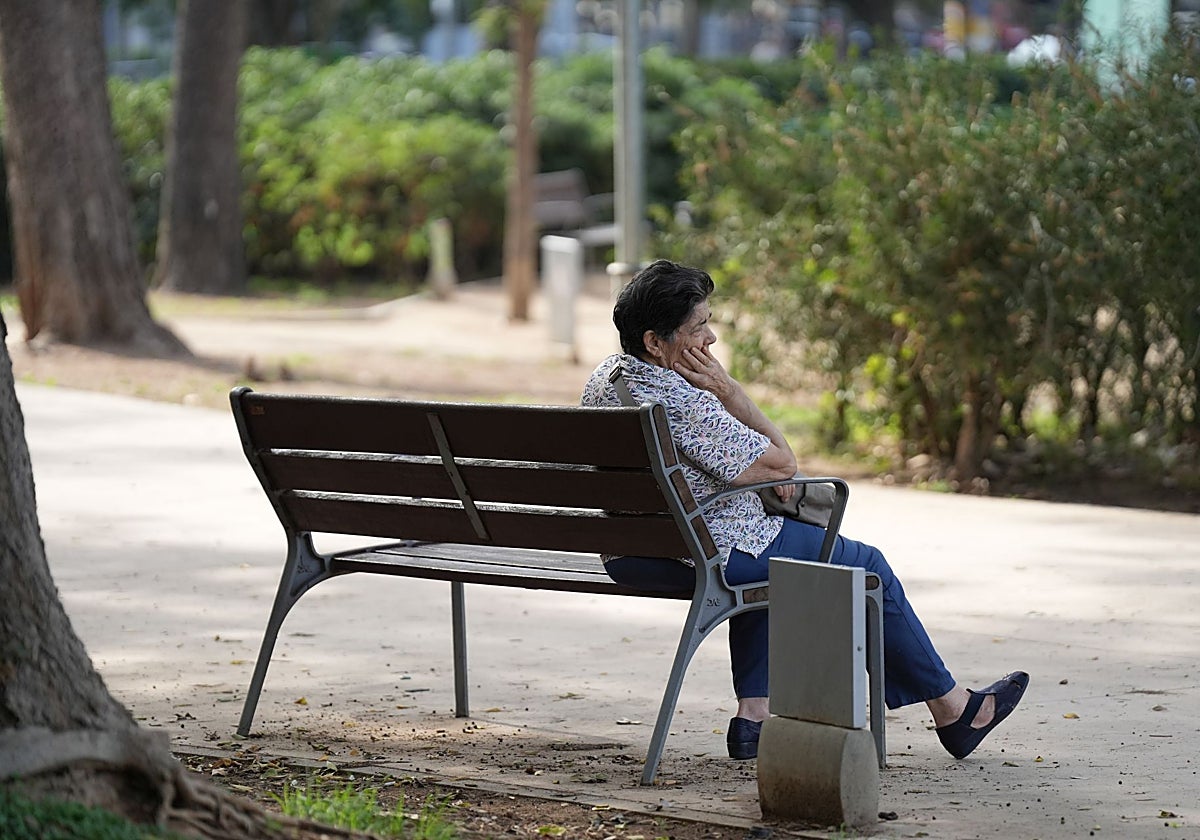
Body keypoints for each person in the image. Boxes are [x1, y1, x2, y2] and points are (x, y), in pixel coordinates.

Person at [581, 259, 1028, 761]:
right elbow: (781, 463)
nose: (710, 339)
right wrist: (730, 391)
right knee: (867, 567)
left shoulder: (609, 379)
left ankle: (753, 719)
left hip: (632, 555)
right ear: (654, 342)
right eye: (699, 327)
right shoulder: (681, 401)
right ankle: (956, 711)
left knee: (772, 556)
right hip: (698, 554)